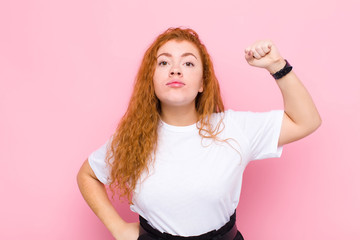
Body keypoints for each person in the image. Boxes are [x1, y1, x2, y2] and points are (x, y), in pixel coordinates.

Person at [77, 27, 321, 240]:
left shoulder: (234, 128)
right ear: (150, 80)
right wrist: (118, 229)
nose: (175, 70)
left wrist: (277, 66)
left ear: (202, 83)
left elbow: (306, 121)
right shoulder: (132, 137)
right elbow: (87, 175)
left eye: (188, 63)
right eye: (163, 62)